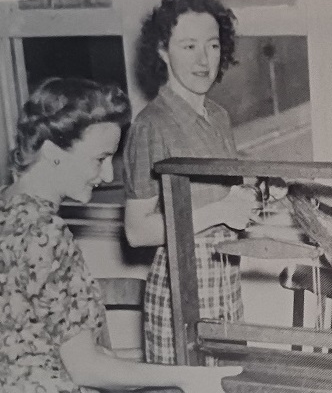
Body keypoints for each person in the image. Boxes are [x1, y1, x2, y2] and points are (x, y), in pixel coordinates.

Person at [0, 77, 241, 393]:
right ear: (52, 152)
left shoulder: (8, 207)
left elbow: (53, 346)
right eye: (99, 159)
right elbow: (86, 369)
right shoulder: (46, 234)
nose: (108, 175)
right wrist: (187, 377)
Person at [123, 0, 258, 364]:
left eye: (213, 45)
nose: (204, 59)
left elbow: (222, 197)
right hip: (180, 287)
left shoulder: (219, 116)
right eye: (189, 46)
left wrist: (250, 193)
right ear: (163, 51)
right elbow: (137, 231)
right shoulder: (151, 125)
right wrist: (221, 210)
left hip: (225, 280)